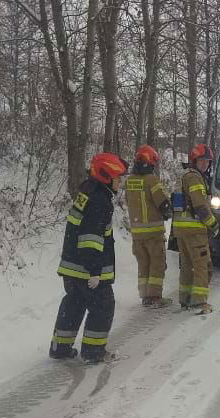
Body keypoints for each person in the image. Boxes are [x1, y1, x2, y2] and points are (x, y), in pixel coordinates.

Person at [49, 152, 129, 364]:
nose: (119, 182)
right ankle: (93, 352)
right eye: (117, 177)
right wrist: (95, 271)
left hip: (72, 266)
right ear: (106, 175)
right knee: (103, 305)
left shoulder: (86, 192)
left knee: (74, 303)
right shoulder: (100, 201)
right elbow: (91, 239)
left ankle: (60, 348)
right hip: (87, 269)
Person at [173, 143, 219, 314]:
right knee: (202, 265)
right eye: (202, 161)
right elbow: (200, 206)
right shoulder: (194, 177)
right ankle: (199, 302)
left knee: (187, 266)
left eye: (207, 162)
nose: (205, 164)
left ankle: (185, 299)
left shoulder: (185, 175)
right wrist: (213, 224)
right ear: (194, 161)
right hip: (194, 230)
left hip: (182, 230)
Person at [124, 144, 172, 308]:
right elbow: (163, 203)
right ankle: (155, 297)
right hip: (154, 233)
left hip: (137, 234)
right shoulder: (151, 179)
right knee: (157, 265)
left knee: (143, 265)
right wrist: (170, 212)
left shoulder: (130, 180)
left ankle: (145, 296)